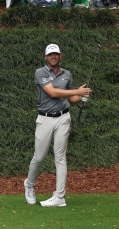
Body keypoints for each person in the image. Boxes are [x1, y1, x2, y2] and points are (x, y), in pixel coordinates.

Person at [24, 44, 92, 207]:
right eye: (50, 54)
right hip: (45, 118)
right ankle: (29, 184)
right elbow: (53, 92)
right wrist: (76, 91)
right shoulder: (40, 73)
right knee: (39, 157)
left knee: (60, 156)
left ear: (60, 56)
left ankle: (60, 196)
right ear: (46, 57)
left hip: (63, 117)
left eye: (56, 54)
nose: (53, 57)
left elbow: (71, 99)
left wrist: (82, 97)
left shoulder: (66, 74)